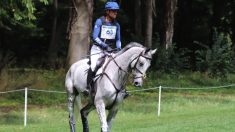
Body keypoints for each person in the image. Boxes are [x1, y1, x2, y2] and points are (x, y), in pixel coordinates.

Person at [87, 1, 128, 98]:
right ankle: (88, 87)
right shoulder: (99, 21)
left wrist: (119, 48)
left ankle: (122, 89)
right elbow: (95, 37)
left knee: (119, 67)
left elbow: (118, 39)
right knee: (94, 66)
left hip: (110, 50)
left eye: (116, 11)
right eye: (113, 11)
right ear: (107, 11)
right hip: (97, 49)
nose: (115, 13)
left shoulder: (117, 25)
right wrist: (104, 46)